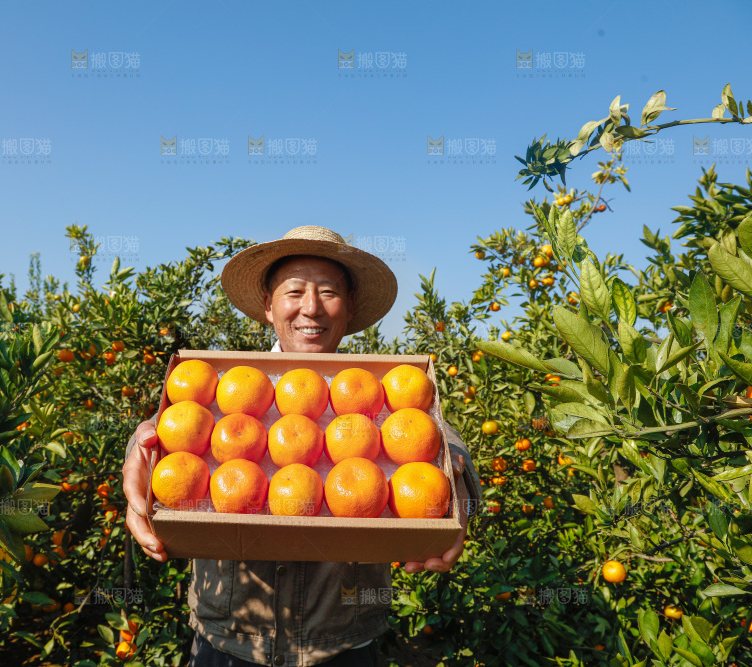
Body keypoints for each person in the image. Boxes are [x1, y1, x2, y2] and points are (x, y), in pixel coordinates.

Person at [122, 226, 482, 667]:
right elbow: (170, 430)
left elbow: (433, 434)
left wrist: (456, 476)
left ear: (349, 308)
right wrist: (137, 459)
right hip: (228, 642)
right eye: (294, 291)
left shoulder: (374, 391)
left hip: (343, 645)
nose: (310, 308)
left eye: (328, 292)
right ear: (268, 307)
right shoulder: (228, 384)